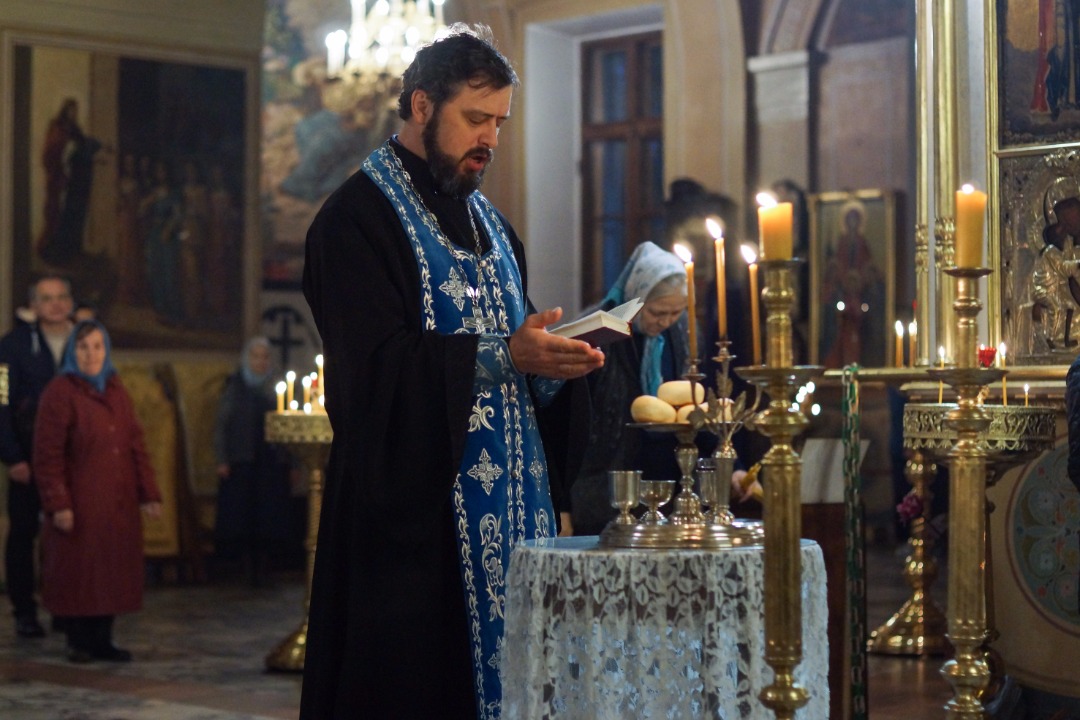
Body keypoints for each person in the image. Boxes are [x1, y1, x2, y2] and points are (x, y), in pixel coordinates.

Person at [299, 24, 604, 719]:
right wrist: (503, 355)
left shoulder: (492, 225)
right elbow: (370, 374)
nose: (489, 139)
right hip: (417, 532)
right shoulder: (353, 222)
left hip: (516, 520)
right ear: (421, 106)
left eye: (499, 122)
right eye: (475, 118)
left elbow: (518, 348)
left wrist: (557, 365)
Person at [31, 320, 162, 663]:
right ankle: (79, 640)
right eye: (83, 347)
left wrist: (149, 492)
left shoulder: (116, 389)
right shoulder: (60, 392)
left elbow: (135, 443)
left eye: (97, 347)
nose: (91, 355)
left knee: (112, 570)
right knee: (79, 571)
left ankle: (103, 639)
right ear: (72, 351)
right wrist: (58, 503)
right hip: (81, 501)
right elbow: (48, 454)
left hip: (117, 500)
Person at [569, 241, 691, 535]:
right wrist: (563, 504)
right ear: (637, 298)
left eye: (675, 313)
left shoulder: (679, 334)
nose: (666, 322)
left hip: (663, 487)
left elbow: (691, 405)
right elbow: (570, 421)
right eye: (657, 312)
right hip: (601, 492)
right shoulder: (597, 331)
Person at [0, 274, 75, 638]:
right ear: (33, 305)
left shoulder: (84, 341)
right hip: (27, 458)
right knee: (23, 534)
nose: (55, 304)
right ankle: (25, 611)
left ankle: (66, 607)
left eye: (61, 297)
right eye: (47, 298)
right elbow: (0, 401)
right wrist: (12, 456)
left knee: (69, 534)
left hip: (74, 459)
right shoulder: (10, 346)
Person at [211, 337, 292, 585]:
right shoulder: (234, 386)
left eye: (265, 357)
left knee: (268, 517)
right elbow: (222, 425)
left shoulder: (278, 388)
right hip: (241, 462)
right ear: (247, 359)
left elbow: (289, 425)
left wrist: (292, 462)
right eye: (255, 356)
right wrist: (222, 459)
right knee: (241, 517)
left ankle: (265, 568)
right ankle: (244, 568)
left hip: (270, 462)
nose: (260, 361)